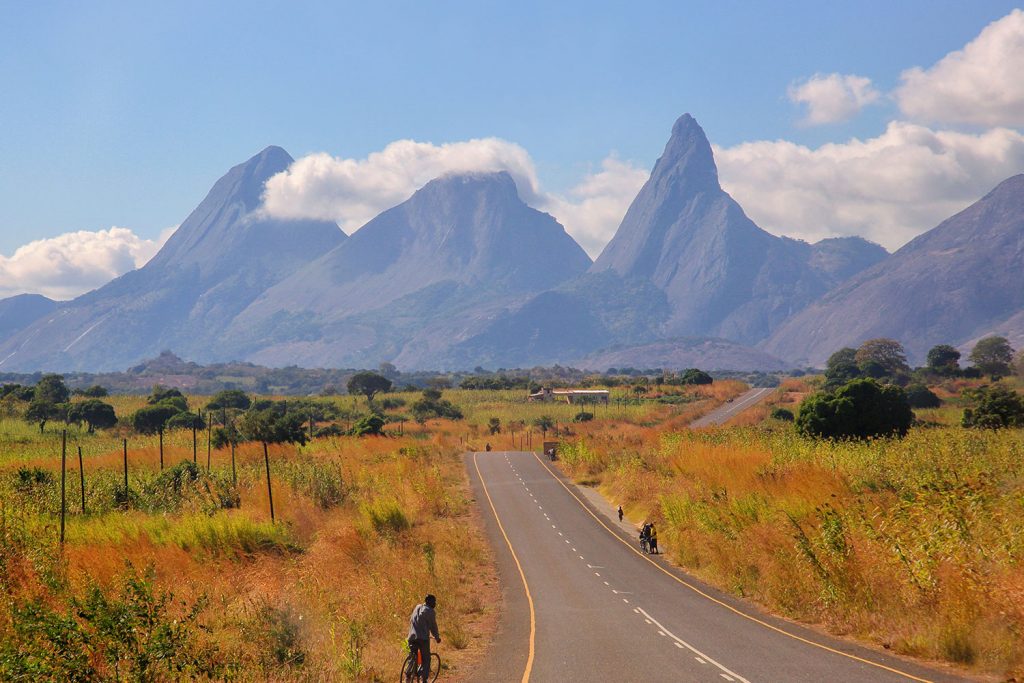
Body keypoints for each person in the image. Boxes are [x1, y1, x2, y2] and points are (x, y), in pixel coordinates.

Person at [407, 594, 441, 682]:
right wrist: (437, 637)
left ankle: (408, 675)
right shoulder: (430, 611)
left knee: (412, 656)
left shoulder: (417, 607)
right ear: (429, 602)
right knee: (426, 658)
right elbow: (433, 627)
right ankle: (424, 679)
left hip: (411, 637)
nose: (435, 604)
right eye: (433, 602)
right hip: (423, 639)